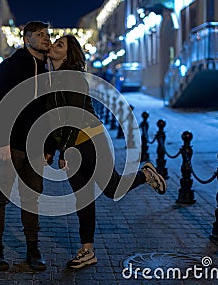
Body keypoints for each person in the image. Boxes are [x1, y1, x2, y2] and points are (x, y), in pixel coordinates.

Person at [46, 35, 167, 269]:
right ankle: (87, 250)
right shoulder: (54, 78)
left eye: (59, 44)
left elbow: (76, 114)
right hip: (71, 146)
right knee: (82, 199)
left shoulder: (74, 78)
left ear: (69, 55)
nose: (53, 45)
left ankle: (146, 175)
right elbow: (56, 119)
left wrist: (63, 151)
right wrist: (53, 148)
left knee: (112, 189)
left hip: (90, 140)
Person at [0, 21, 55, 271]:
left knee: (31, 199)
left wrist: (49, 145)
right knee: (0, 198)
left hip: (35, 147)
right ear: (26, 39)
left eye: (47, 35)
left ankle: (33, 248)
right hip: (9, 146)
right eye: (39, 35)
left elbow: (49, 111)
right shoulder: (12, 65)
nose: (46, 39)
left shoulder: (47, 69)